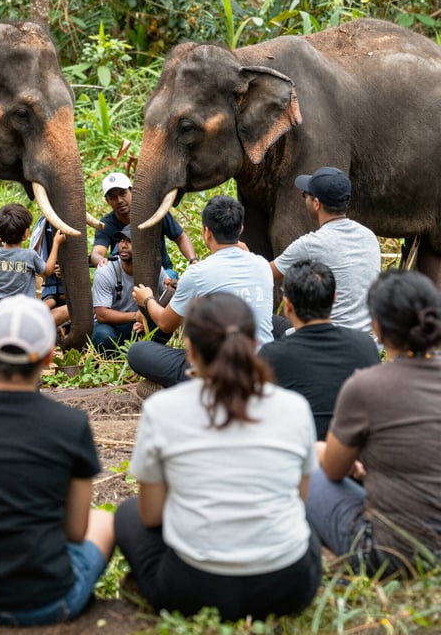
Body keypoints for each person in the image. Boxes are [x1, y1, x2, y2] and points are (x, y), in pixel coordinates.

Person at [115, 292, 321, 621]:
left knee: (127, 515)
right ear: (255, 343)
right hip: (287, 586)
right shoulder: (294, 407)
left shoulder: (161, 409)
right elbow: (299, 499)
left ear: (190, 349)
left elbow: (151, 516)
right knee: (302, 521)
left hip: (194, 588)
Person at [0, 295, 115, 625]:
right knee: (105, 521)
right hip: (44, 600)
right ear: (49, 358)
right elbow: (75, 531)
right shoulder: (71, 425)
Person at [306, 269, 441, 576]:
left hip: (392, 554)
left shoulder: (365, 386)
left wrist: (326, 451)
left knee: (309, 458)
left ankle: (307, 561)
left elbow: (334, 470)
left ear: (377, 326)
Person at [128, 194, 274, 391]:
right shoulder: (262, 265)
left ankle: (190, 390)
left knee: (138, 352)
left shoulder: (198, 273)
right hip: (260, 364)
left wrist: (147, 300)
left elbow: (165, 323)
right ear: (241, 229)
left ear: (206, 232)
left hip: (217, 370)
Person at [259, 260, 380, 440]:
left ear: (287, 305)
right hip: (353, 454)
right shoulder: (365, 346)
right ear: (334, 298)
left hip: (297, 451)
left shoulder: (270, 355)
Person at [270, 167, 381, 333]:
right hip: (368, 340)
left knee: (267, 322)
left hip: (330, 338)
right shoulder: (369, 236)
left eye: (305, 195)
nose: (304, 199)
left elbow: (264, 273)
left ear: (316, 203)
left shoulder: (311, 244)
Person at [89, 172, 197, 278]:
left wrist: (193, 260)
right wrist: (102, 262)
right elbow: (97, 253)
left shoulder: (154, 212)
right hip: (125, 277)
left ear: (132, 192)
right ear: (107, 201)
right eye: (113, 197)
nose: (119, 200)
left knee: (169, 285)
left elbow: (180, 237)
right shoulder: (107, 223)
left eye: (123, 194)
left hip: (161, 272)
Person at [91, 225, 168, 355]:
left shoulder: (154, 269)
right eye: (121, 240)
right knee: (103, 337)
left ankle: (145, 355)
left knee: (164, 326)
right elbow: (102, 314)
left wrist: (148, 321)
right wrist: (135, 317)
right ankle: (119, 357)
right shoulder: (105, 271)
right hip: (111, 325)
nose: (123, 245)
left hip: (138, 325)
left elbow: (166, 298)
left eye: (129, 241)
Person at [0, 202, 64, 307]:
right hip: (24, 311)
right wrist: (56, 243)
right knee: (65, 311)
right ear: (26, 233)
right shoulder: (29, 255)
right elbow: (48, 271)